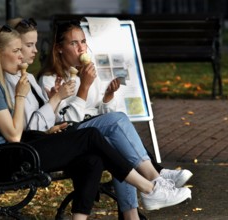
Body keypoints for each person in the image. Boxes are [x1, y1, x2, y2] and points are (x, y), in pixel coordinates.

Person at [0, 24, 191, 220]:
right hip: (0, 160)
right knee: (92, 136)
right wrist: (21, 97)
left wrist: (48, 122)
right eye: (16, 51)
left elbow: (19, 131)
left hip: (18, 150)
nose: (22, 56)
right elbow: (13, 136)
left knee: (92, 159)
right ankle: (150, 188)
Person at [28, 19, 192, 219]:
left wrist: (107, 99)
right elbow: (66, 122)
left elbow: (103, 115)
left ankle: (131, 214)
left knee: (118, 138)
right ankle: (155, 178)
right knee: (117, 123)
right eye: (74, 43)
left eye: (83, 41)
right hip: (72, 140)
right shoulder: (50, 80)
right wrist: (83, 89)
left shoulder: (87, 72)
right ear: (59, 48)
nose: (81, 48)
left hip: (95, 133)